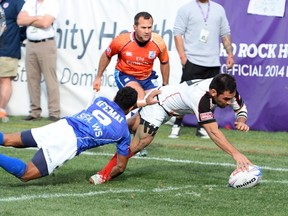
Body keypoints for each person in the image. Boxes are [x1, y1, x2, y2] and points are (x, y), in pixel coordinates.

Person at [90, 74, 253, 185]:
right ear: (213, 92)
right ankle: (103, 175)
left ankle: (94, 128)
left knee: (130, 125)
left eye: (230, 98)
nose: (228, 102)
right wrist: (235, 153)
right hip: (160, 105)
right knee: (139, 144)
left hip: (169, 101)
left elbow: (240, 108)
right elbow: (213, 132)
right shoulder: (201, 98)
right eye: (225, 99)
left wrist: (241, 120)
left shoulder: (226, 90)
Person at [0, 87, 139, 182]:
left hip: (61, 125)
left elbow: (117, 107)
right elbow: (120, 167)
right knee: (26, 174)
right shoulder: (122, 131)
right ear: (132, 108)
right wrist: (102, 178)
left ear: (115, 96)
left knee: (7, 139)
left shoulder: (100, 100)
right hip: (70, 141)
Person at [93, 11, 170, 157]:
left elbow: (165, 62)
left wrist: (165, 85)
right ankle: (131, 141)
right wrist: (98, 77)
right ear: (134, 27)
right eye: (143, 27)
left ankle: (129, 135)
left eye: (149, 27)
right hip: (125, 74)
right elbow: (107, 55)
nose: (147, 31)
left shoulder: (158, 42)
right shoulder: (122, 40)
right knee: (140, 97)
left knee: (155, 104)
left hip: (147, 77)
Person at [169, 0, 234, 139]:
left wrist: (230, 54)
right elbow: (177, 33)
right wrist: (183, 57)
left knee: (211, 97)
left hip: (212, 61)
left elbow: (225, 34)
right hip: (192, 60)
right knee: (183, 93)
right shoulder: (185, 9)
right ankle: (177, 124)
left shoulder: (218, 9)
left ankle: (202, 127)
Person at [17, 0, 60, 122]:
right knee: (32, 79)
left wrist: (29, 19)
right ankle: (35, 112)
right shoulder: (29, 2)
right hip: (30, 44)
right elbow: (20, 20)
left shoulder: (52, 3)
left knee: (50, 79)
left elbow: (46, 23)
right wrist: (37, 18)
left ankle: (54, 112)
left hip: (46, 43)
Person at [0, 0, 25, 122]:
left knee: (5, 79)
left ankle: (1, 110)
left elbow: (25, 22)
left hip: (8, 49)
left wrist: (17, 38)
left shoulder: (16, 2)